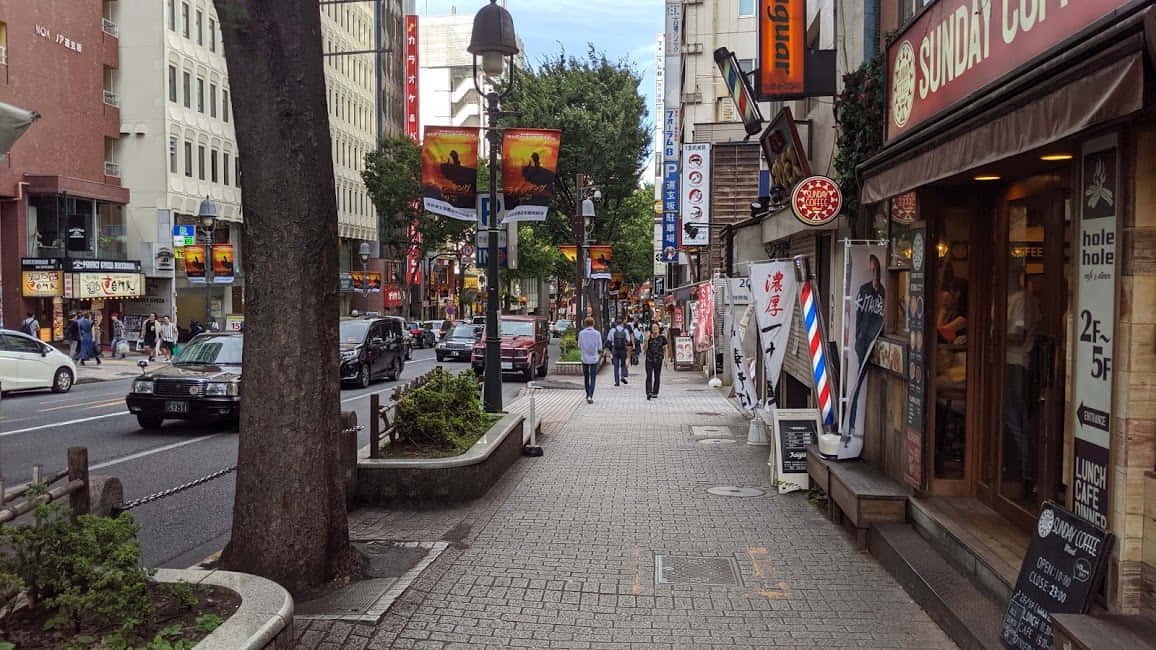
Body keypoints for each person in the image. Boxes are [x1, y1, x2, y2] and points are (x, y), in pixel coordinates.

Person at [577, 317, 602, 404]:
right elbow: (600, 347)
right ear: (593, 323)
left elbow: (579, 345)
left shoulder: (581, 333)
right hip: (594, 358)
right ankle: (591, 394)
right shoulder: (597, 333)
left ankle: (587, 393)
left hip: (584, 357)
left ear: (585, 324)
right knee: (593, 377)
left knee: (586, 377)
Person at [605, 318, 632, 386]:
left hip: (615, 349)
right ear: (622, 323)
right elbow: (628, 341)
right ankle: (622, 376)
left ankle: (617, 382)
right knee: (623, 364)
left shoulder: (612, 330)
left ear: (616, 323)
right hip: (623, 349)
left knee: (616, 366)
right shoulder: (625, 330)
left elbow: (609, 339)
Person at [644, 322, 667, 400]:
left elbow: (666, 349)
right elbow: (645, 349)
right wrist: (646, 341)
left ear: (658, 328)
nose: (655, 329)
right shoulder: (648, 337)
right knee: (649, 376)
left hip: (658, 359)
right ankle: (649, 392)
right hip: (649, 359)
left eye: (656, 327)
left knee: (657, 376)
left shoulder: (662, 338)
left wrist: (666, 360)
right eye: (653, 328)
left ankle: (655, 392)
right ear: (651, 329)